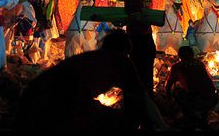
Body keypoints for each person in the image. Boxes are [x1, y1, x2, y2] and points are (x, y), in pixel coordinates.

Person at [14, 29, 169, 131]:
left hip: (35, 95)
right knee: (117, 122)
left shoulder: (91, 57)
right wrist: (162, 125)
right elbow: (142, 98)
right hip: (54, 102)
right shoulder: (119, 60)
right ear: (126, 50)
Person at [165, 46, 218, 130]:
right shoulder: (200, 64)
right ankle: (202, 117)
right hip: (213, 98)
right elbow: (210, 81)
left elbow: (168, 84)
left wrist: (168, 98)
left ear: (179, 55)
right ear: (193, 55)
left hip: (196, 100)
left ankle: (190, 117)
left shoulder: (177, 66)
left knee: (177, 90)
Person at [124, 0, 156, 98]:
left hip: (135, 41)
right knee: (147, 75)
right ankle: (149, 101)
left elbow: (131, 17)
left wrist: (120, 23)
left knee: (135, 74)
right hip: (148, 39)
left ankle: (138, 105)